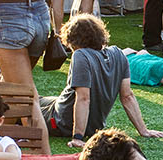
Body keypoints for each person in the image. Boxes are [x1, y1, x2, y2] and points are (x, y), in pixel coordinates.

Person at [49, 13, 152, 143]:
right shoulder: (119, 53)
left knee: (32, 105)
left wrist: (78, 137)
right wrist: (144, 130)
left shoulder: (81, 55)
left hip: (62, 123)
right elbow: (127, 96)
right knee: (46, 100)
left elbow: (84, 98)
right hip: (94, 128)